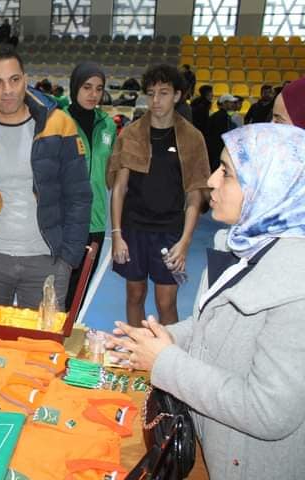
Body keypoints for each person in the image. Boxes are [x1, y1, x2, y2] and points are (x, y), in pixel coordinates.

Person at [109, 123, 305, 480]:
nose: (212, 181)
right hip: (212, 441)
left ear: (270, 186)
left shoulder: (298, 291)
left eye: (227, 172)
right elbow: (214, 327)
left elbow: (268, 411)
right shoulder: (244, 246)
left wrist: (165, 362)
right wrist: (157, 339)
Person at [0, 44, 91, 330]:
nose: (7, 90)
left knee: (39, 354)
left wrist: (68, 258)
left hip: (45, 261)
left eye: (14, 80)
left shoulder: (59, 124)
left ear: (25, 79)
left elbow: (79, 196)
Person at [107, 64, 210, 327]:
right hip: (134, 228)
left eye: (163, 93)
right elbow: (120, 188)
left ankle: (168, 362)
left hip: (169, 231)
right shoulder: (131, 134)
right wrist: (117, 235)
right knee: (134, 295)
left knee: (166, 303)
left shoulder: (192, 138)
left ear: (177, 96)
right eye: (151, 93)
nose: (156, 101)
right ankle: (134, 355)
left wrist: (185, 242)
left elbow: (195, 196)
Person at [62, 62, 117, 310]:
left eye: (99, 88)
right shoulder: (58, 121)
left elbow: (110, 173)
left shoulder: (108, 125)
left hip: (95, 221)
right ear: (75, 88)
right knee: (55, 291)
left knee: (78, 294)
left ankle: (65, 342)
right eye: (87, 87)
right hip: (63, 221)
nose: (93, 94)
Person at [206, 94, 237, 172]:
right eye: (231, 102)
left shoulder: (219, 115)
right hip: (217, 150)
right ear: (224, 103)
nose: (233, 104)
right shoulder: (222, 117)